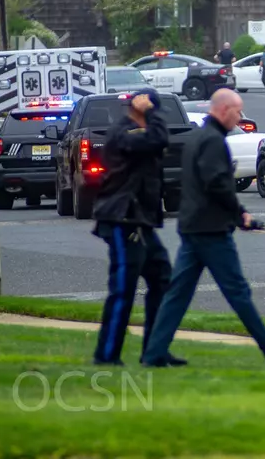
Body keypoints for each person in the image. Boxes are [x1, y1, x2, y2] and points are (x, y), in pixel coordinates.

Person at [140, 88, 265, 369]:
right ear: (222, 110)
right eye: (237, 111)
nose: (240, 117)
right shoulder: (213, 142)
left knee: (177, 294)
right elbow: (217, 184)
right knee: (237, 292)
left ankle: (155, 352)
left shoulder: (196, 137)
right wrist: (240, 214)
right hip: (211, 231)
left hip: (193, 227)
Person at [91, 88, 185, 367]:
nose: (155, 119)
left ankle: (154, 350)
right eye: (151, 113)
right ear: (139, 109)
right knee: (123, 289)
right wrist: (150, 113)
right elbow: (158, 139)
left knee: (162, 278)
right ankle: (106, 356)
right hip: (123, 220)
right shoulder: (125, 132)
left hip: (139, 221)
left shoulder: (141, 132)